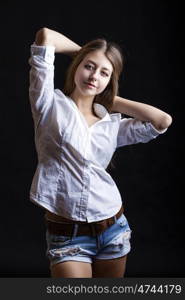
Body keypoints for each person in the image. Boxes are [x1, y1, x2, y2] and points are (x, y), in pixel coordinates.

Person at [28, 27, 172, 278]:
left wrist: (108, 97)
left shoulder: (111, 125)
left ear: (110, 81)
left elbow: (162, 121)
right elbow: (46, 36)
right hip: (67, 234)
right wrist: (84, 52)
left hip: (113, 227)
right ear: (77, 66)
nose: (94, 75)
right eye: (89, 66)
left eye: (104, 72)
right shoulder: (48, 104)